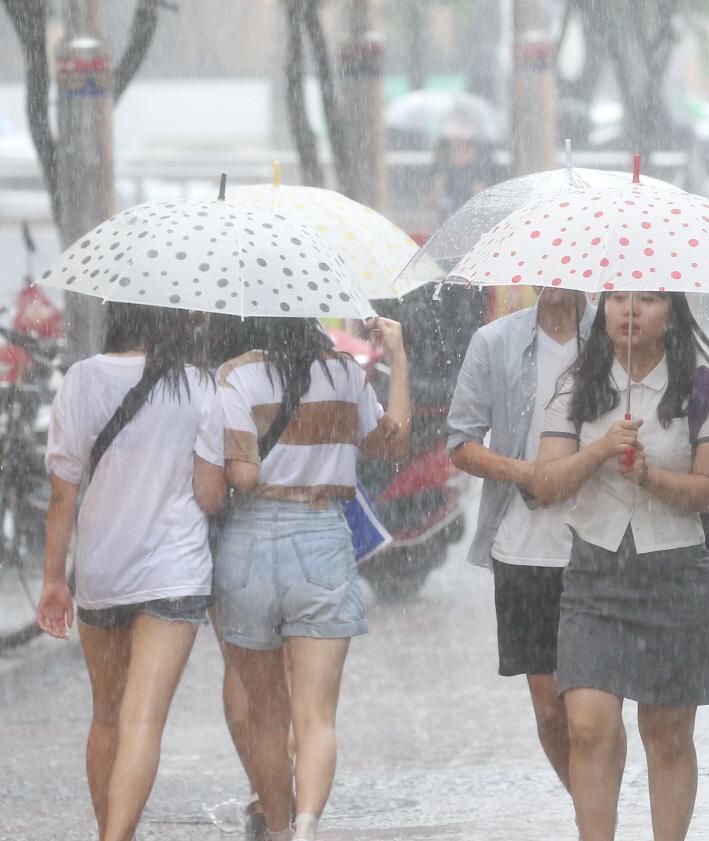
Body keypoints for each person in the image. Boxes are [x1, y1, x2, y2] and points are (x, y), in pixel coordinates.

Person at [533, 290, 709, 841]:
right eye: (618, 298)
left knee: (667, 732)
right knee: (588, 726)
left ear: (672, 311)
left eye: (647, 299)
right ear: (601, 310)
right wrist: (599, 450)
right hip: (594, 578)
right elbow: (546, 484)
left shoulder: (700, 389)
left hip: (675, 576)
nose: (629, 311)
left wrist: (652, 479)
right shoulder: (578, 386)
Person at [35, 302, 228, 841]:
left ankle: (112, 833)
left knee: (106, 716)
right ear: (175, 319)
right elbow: (210, 497)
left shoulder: (81, 379)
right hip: (174, 571)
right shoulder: (197, 385)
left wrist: (54, 579)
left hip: (102, 570)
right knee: (142, 720)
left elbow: (62, 491)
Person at [214, 315, 410, 841]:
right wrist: (400, 356)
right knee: (317, 716)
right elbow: (392, 444)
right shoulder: (346, 375)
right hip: (323, 537)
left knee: (266, 716)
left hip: (250, 544)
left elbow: (242, 476)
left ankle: (276, 828)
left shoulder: (235, 377)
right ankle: (306, 827)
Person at [447, 287, 593, 788]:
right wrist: (526, 472)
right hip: (521, 549)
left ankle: (598, 822)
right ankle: (589, 812)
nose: (555, 277)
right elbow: (461, 444)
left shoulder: (615, 343)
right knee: (550, 710)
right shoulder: (494, 343)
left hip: (597, 544)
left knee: (593, 712)